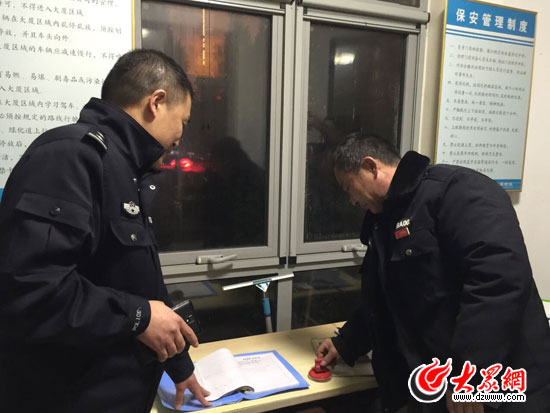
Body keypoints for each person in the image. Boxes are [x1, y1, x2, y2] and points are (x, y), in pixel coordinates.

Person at [0, 49, 212, 412]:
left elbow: (138, 281)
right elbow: (32, 290)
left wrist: (179, 366)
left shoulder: (124, 172)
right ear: (156, 102)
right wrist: (139, 316)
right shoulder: (71, 156)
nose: (180, 137)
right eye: (183, 121)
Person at [317, 132, 550, 412]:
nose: (352, 201)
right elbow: (384, 297)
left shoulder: (459, 191)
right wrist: (346, 343)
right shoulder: (385, 218)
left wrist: (468, 375)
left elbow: (499, 283)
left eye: (348, 188)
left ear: (370, 167)